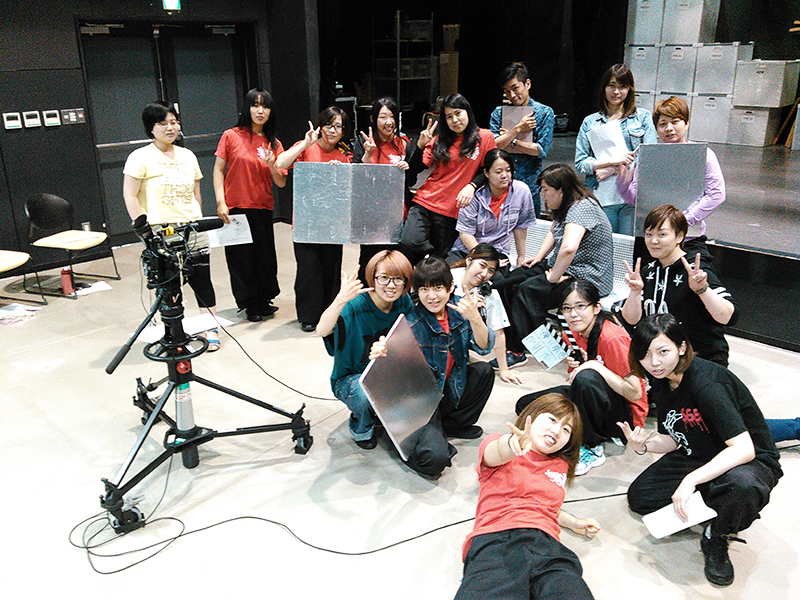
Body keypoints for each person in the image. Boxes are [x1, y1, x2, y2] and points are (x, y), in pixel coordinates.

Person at [620, 313, 781, 587]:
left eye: (663, 352)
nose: (654, 362)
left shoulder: (706, 383)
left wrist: (690, 481)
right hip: (699, 452)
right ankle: (715, 498)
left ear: (681, 347)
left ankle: (716, 534)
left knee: (743, 487)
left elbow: (744, 449)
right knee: (640, 497)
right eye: (645, 355)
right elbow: (674, 438)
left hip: (746, 459)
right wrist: (644, 444)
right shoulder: (663, 379)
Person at [454, 393, 600, 600]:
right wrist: (512, 444)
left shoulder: (560, 465)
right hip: (498, 539)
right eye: (552, 419)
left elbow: (545, 507)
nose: (557, 431)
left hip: (549, 547)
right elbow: (495, 453)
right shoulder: (499, 442)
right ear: (533, 415)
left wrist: (573, 523)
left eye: (567, 429)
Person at [516, 279, 648, 476]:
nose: (573, 314)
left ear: (596, 308)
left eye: (580, 306)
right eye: (567, 308)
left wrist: (594, 366)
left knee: (587, 377)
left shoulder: (612, 337)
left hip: (625, 417)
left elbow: (635, 393)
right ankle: (574, 427)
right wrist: (576, 365)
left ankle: (591, 445)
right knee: (526, 406)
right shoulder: (572, 332)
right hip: (593, 397)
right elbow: (577, 379)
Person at [123, 101, 220, 351]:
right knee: (170, 285)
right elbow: (130, 195)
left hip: (192, 227)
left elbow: (196, 193)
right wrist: (144, 230)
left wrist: (196, 218)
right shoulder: (140, 157)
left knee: (202, 280)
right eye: (163, 123)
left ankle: (210, 329)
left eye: (174, 122)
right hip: (160, 230)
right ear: (150, 127)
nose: (170, 128)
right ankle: (175, 332)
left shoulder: (188, 155)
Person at [498, 164, 613, 354]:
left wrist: (553, 277)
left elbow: (569, 248)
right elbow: (554, 232)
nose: (542, 195)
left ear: (561, 190)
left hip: (587, 276)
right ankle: (514, 339)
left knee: (528, 291)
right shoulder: (566, 205)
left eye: (545, 190)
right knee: (510, 281)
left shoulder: (582, 207)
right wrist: (539, 257)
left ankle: (519, 350)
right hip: (566, 267)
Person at [317, 251, 414, 450]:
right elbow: (322, 330)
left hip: (387, 369)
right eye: (383, 278)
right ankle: (362, 428)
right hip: (352, 378)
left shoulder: (403, 301)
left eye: (398, 279)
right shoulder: (354, 306)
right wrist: (340, 299)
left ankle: (385, 414)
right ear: (372, 278)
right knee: (362, 393)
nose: (391, 285)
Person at [620, 205, 738, 366]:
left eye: (662, 234)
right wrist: (635, 292)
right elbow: (630, 320)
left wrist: (702, 290)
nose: (653, 241)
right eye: (648, 234)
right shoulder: (648, 271)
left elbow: (729, 317)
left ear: (680, 236)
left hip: (700, 360)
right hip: (661, 362)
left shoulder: (695, 272)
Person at [617, 96, 725, 258]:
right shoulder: (649, 156)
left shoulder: (703, 155)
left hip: (688, 238)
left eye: (675, 122)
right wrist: (623, 183)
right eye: (662, 124)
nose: (669, 128)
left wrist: (682, 222)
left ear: (686, 123)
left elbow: (716, 194)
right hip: (653, 239)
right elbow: (636, 200)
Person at [274, 106, 352, 332]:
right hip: (306, 222)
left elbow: (345, 193)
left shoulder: (343, 157)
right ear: (320, 126)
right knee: (309, 271)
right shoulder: (306, 146)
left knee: (331, 269)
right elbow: (280, 163)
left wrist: (338, 174)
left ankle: (329, 314)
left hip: (332, 224)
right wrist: (305, 143)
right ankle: (308, 316)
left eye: (338, 126)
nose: (333, 130)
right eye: (329, 125)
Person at [213, 88, 287, 323]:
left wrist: (272, 164)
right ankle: (249, 303)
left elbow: (281, 182)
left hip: (262, 207)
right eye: (255, 105)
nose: (260, 111)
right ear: (247, 108)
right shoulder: (231, 136)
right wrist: (220, 202)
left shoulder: (274, 143)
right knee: (241, 259)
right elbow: (218, 170)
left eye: (265, 106)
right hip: (235, 208)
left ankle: (264, 299)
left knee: (265, 258)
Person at [401, 93, 497, 265]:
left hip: (452, 211)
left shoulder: (484, 137)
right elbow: (416, 168)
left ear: (467, 112)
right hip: (425, 202)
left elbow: (489, 170)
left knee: (438, 260)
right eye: (449, 117)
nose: (455, 120)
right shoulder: (439, 141)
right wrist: (420, 145)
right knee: (408, 242)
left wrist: (472, 186)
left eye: (458, 113)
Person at [574, 64, 657, 235]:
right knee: (605, 244)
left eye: (622, 86)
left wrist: (612, 169)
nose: (616, 92)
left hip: (631, 197)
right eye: (611, 85)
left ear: (629, 89)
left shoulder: (642, 118)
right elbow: (581, 163)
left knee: (627, 246)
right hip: (601, 196)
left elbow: (649, 157)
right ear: (604, 88)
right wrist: (610, 163)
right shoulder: (590, 122)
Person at [352, 97, 413, 284]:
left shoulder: (404, 144)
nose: (388, 122)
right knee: (370, 265)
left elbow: (411, 181)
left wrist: (406, 169)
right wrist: (368, 153)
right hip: (371, 217)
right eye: (383, 117)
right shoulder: (363, 143)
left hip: (397, 214)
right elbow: (357, 178)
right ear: (373, 119)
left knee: (395, 265)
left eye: (392, 116)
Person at [450, 244, 525, 384]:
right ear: (469, 261)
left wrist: (504, 369)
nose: (484, 274)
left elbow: (498, 331)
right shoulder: (448, 276)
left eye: (491, 270)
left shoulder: (489, 293)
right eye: (482, 265)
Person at [449, 148, 537, 267]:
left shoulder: (521, 191)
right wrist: (486, 258)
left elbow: (521, 228)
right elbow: (465, 233)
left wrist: (521, 257)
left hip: (498, 252)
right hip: (468, 250)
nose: (504, 176)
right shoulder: (473, 195)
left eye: (508, 170)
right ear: (486, 173)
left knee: (495, 277)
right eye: (498, 172)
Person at [489, 62, 555, 217]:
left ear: (527, 84)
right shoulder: (499, 113)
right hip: (501, 187)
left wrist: (511, 141)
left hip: (529, 187)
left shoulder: (544, 112)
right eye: (507, 91)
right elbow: (493, 146)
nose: (512, 95)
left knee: (529, 229)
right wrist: (518, 129)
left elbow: (540, 150)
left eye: (515, 88)